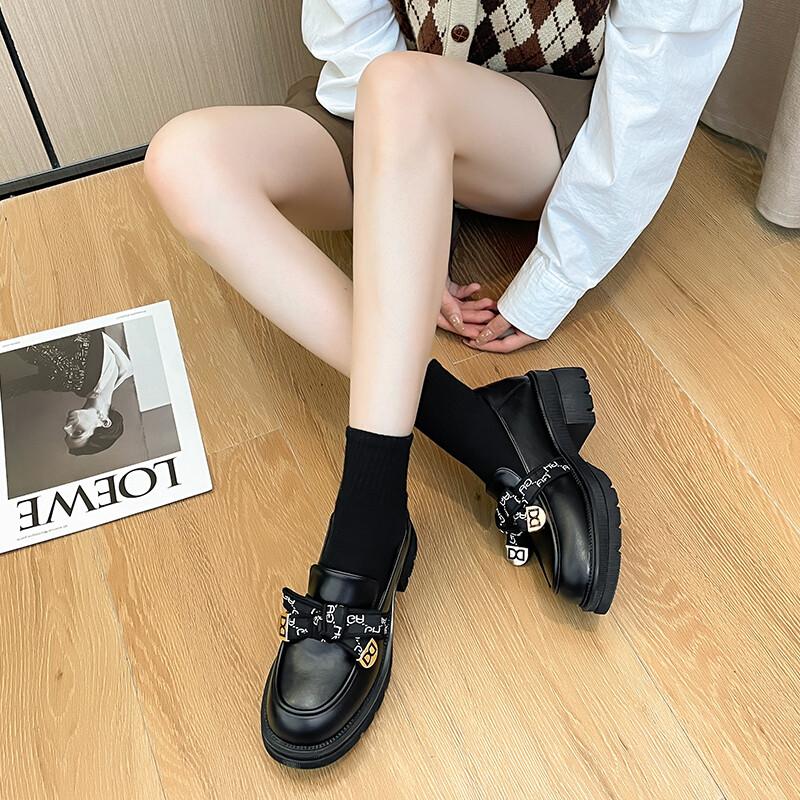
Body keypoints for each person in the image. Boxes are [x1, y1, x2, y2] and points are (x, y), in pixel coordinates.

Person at [143, 0, 743, 768]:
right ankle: (484, 430)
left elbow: (660, 84)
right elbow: (352, 33)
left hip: (542, 127)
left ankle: (368, 523)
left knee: (405, 87)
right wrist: (406, 215)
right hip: (384, 106)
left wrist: (553, 276)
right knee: (183, 157)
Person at [11, 329, 132, 455]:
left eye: (67, 434)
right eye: (78, 433)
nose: (66, 428)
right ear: (105, 422)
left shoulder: (114, 374)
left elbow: (35, 383)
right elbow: (24, 344)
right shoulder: (76, 380)